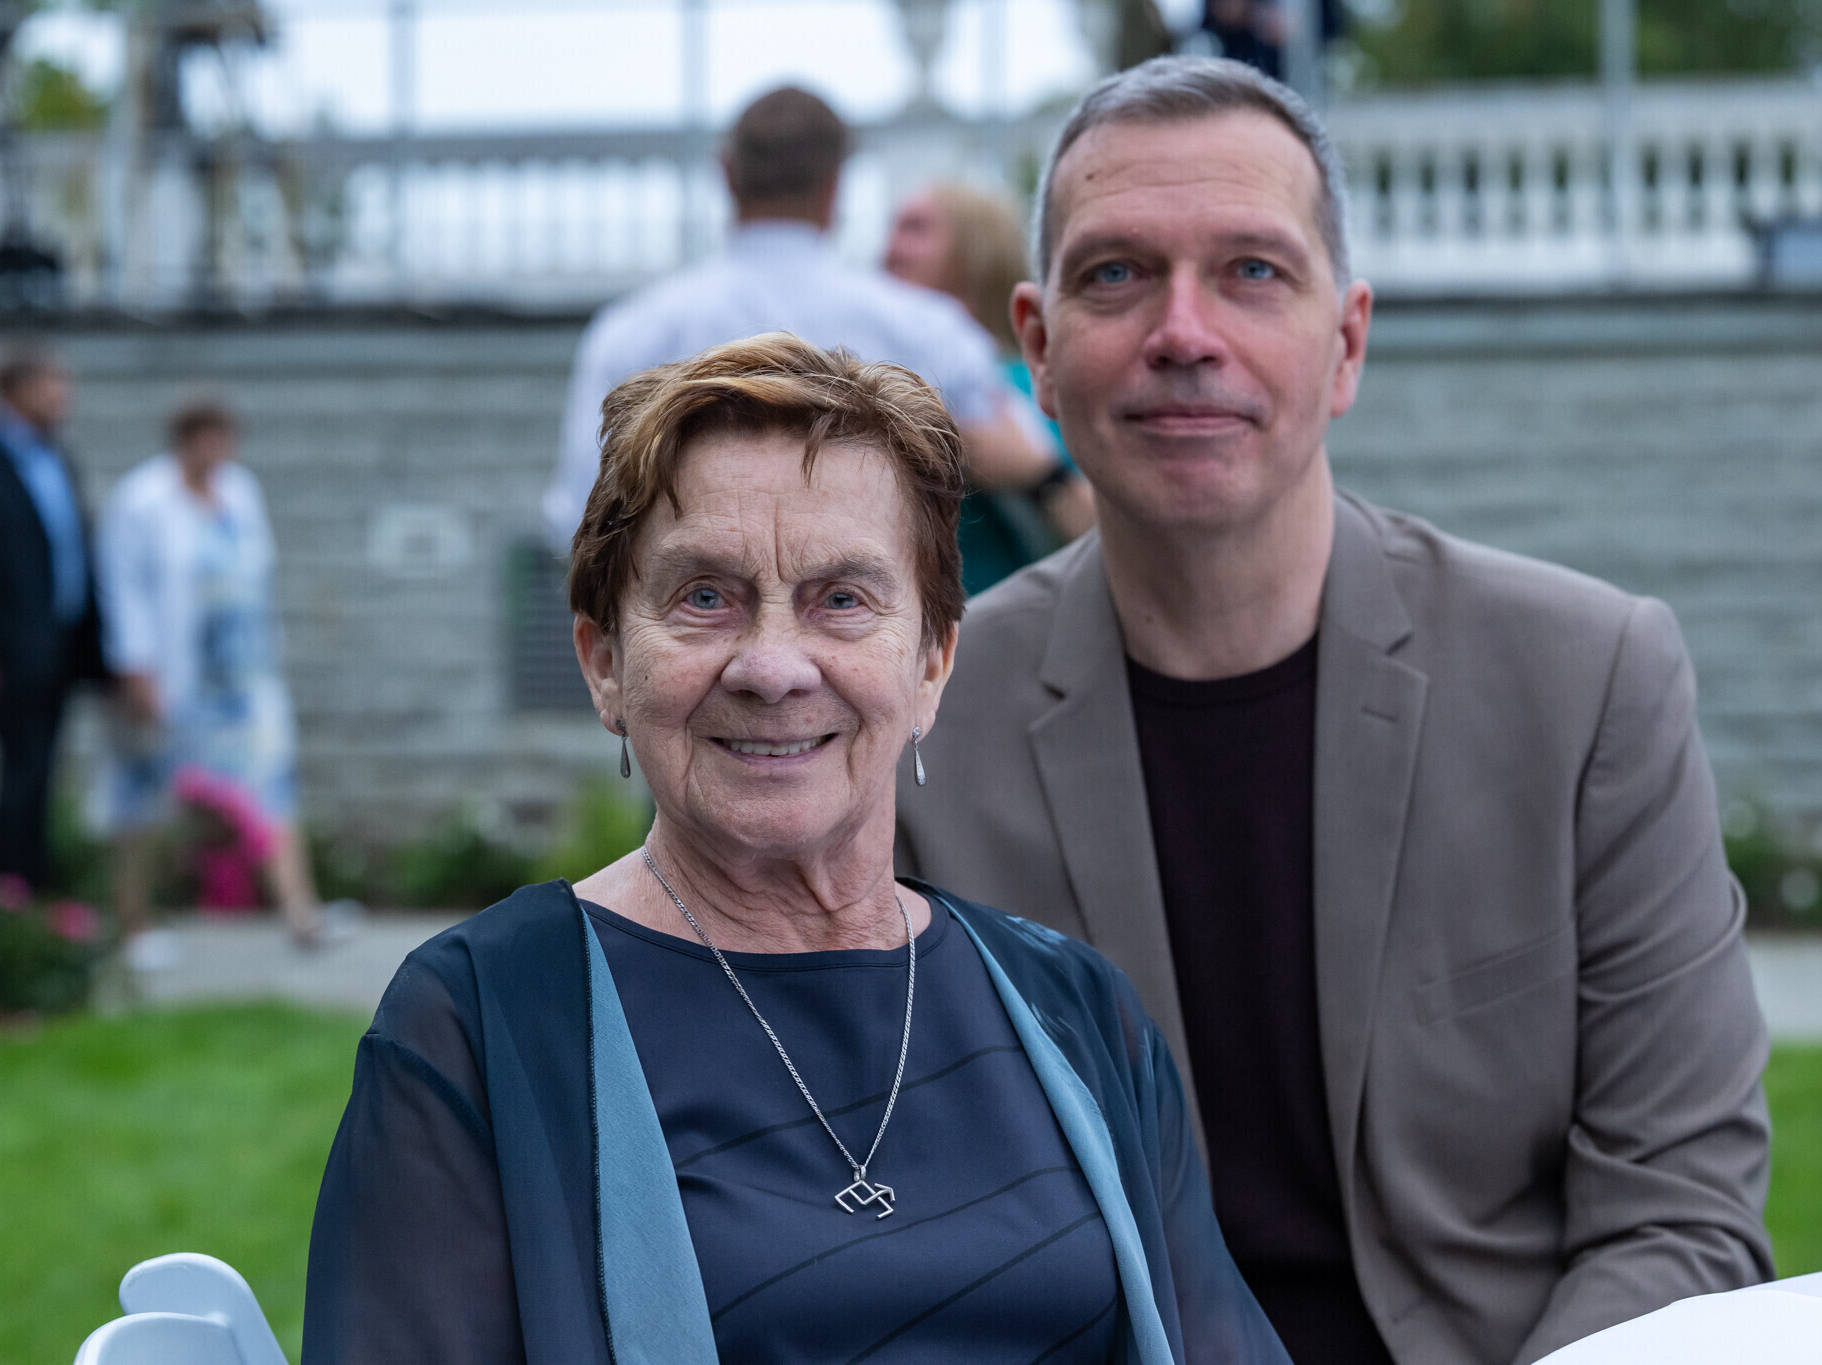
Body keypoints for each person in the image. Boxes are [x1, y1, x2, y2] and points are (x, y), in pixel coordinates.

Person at [895, 56, 1773, 1365]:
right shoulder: (918, 727)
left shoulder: (1588, 682)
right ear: (1037, 348)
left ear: (1346, 342)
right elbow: (879, 1231)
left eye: (1251, 271)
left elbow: (1682, 1210)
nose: (1182, 332)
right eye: (1117, 274)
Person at [305, 334, 1289, 1365]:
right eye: (704, 597)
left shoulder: (1076, 1012)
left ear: (932, 663)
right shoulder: (483, 1024)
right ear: (603, 664)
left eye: (842, 600)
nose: (772, 668)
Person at [543, 85, 1060, 550]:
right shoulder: (929, 329)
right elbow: (1025, 458)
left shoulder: (633, 331)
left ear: (727, 174)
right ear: (836, 183)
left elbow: (580, 518)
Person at [94, 397, 325, 947]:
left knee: (272, 787)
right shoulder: (142, 500)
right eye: (210, 439)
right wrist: (136, 667)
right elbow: (124, 590)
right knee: (146, 796)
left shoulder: (240, 491)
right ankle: (133, 920)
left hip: (242, 677)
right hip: (171, 675)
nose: (221, 451)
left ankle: (301, 913)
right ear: (186, 440)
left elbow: (257, 579)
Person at [0, 341, 105, 890]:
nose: (63, 395)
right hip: (5, 653)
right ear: (14, 389)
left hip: (61, 644)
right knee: (21, 769)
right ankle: (7, 890)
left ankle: (31, 891)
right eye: (52, 383)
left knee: (43, 771)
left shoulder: (59, 458)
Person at [883, 181, 1095, 594]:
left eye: (914, 229)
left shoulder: (1034, 386)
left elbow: (1111, 541)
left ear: (975, 253)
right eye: (892, 228)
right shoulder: (874, 379)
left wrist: (1037, 475)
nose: (890, 248)